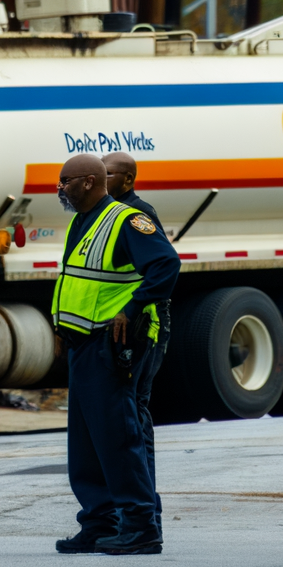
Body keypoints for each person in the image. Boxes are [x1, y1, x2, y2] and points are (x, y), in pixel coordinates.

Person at [53, 154, 180, 555]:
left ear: (89, 182)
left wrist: (132, 306)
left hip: (112, 343)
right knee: (86, 442)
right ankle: (99, 521)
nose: (61, 190)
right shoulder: (79, 222)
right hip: (82, 342)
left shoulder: (128, 220)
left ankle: (141, 525)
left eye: (66, 182)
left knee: (118, 436)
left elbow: (166, 265)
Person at [103, 150, 171, 537]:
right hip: (121, 333)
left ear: (127, 180)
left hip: (145, 329)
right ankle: (132, 514)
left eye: (107, 173)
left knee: (135, 418)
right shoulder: (107, 214)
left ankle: (147, 517)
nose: (99, 177)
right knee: (127, 419)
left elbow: (164, 269)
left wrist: (132, 308)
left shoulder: (137, 216)